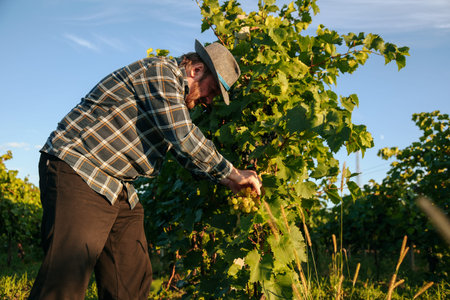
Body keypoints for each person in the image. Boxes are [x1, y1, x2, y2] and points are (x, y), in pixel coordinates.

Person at [28, 40, 262, 300]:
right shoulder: (160, 72)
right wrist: (232, 172)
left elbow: (183, 153)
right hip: (80, 168)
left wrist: (228, 182)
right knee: (65, 282)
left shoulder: (174, 102)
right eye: (213, 91)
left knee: (131, 282)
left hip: (117, 186)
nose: (209, 101)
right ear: (195, 70)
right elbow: (183, 136)